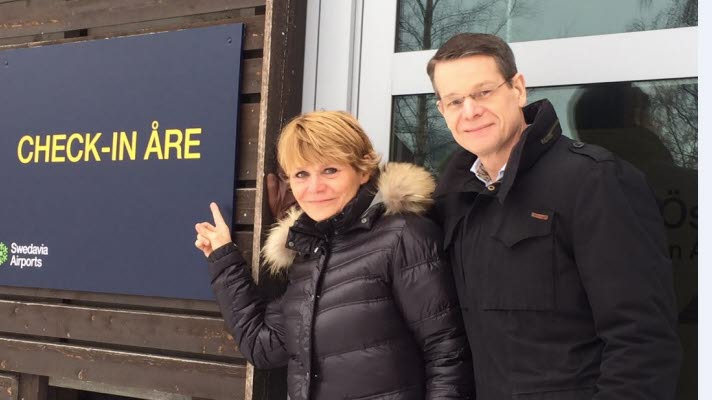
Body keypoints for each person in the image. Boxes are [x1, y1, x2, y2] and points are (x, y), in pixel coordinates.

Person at [426, 33, 682, 399]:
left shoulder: (593, 181)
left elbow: (642, 340)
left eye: (483, 92)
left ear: (517, 88)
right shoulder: (453, 201)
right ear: (442, 110)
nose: (470, 111)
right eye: (454, 100)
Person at [194, 111, 474, 400]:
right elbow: (263, 347)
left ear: (363, 170)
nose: (315, 187)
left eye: (330, 170)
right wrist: (224, 259)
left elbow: (448, 355)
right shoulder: (309, 257)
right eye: (302, 174)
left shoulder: (403, 236)